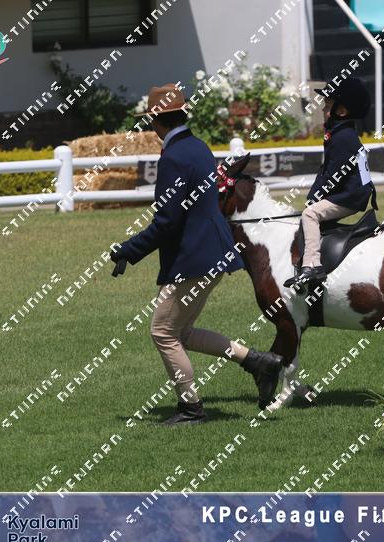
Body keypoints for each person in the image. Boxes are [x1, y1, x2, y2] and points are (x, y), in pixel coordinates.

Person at [110, 83, 282, 425]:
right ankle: (256, 361)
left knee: (163, 332)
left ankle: (191, 408)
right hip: (212, 254)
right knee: (182, 333)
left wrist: (129, 250)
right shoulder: (199, 146)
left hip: (194, 257)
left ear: (156, 120)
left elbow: (167, 221)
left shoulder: (174, 156)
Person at [284, 76, 377, 288]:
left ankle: (312, 266)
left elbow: (334, 174)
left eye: (327, 105)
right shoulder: (342, 133)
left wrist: (314, 198)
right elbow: (327, 170)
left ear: (341, 111)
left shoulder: (342, 137)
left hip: (349, 197)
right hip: (351, 194)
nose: (323, 108)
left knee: (310, 214)